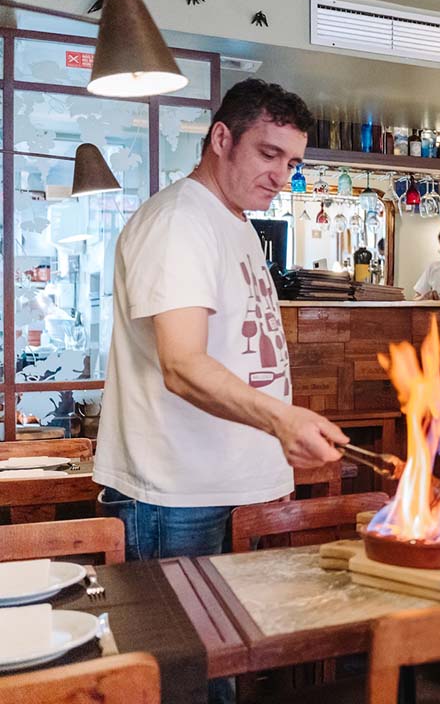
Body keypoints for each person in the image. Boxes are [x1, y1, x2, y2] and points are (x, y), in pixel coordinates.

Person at [94, 79, 346, 563]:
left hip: (235, 487)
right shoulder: (179, 221)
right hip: (179, 494)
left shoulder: (238, 221)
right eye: (268, 154)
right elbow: (182, 364)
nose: (281, 176)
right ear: (222, 139)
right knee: (184, 638)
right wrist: (281, 422)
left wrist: (269, 471)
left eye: (292, 163)